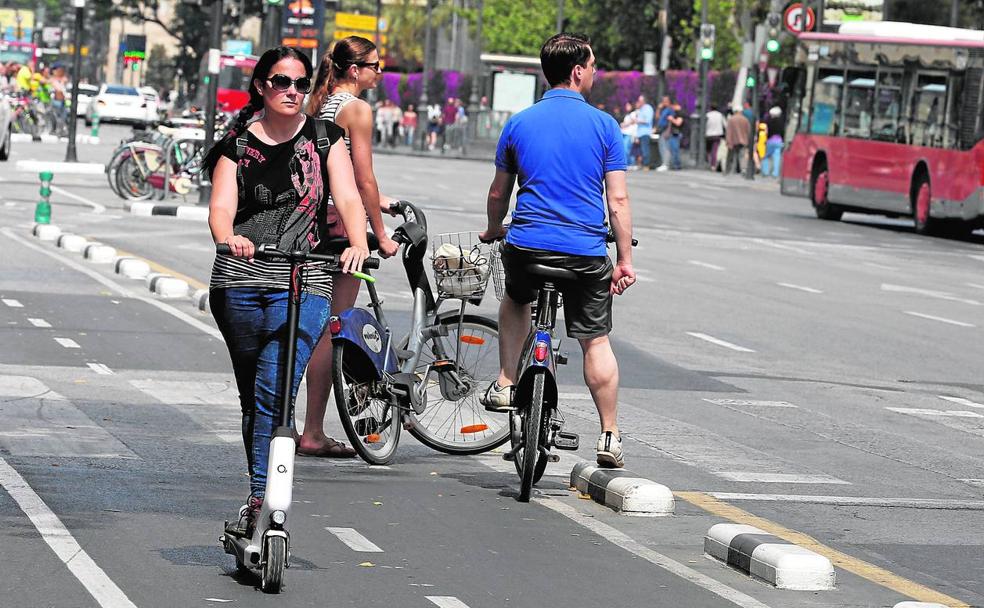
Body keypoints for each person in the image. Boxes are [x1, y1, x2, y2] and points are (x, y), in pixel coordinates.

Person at [204, 46, 371, 527]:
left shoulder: (325, 139)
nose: (292, 92)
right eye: (281, 82)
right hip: (240, 280)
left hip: (305, 279)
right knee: (252, 394)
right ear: (261, 86)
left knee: (275, 391)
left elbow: (346, 196)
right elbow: (221, 206)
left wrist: (357, 243)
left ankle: (263, 500)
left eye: (300, 84)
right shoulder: (236, 146)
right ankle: (260, 495)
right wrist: (227, 237)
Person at [479, 33, 635, 469]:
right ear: (579, 70)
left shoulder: (520, 122)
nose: (596, 72)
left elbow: (498, 193)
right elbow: (617, 202)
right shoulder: (605, 126)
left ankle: (508, 380)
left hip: (527, 247)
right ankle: (609, 435)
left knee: (516, 299)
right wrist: (624, 260)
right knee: (595, 340)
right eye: (594, 64)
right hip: (585, 254)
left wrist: (494, 230)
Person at [301, 35, 401, 457]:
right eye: (376, 66)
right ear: (355, 71)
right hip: (342, 229)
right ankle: (312, 431)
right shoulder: (357, 109)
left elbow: (331, 170)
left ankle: (304, 425)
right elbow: (362, 179)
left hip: (312, 224)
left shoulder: (318, 104)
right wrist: (380, 234)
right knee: (334, 325)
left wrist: (383, 203)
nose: (380, 73)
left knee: (315, 322)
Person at [725, 104, 750, 175]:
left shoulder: (731, 119)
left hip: (733, 140)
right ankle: (743, 169)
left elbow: (729, 131)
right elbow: (748, 131)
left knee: (732, 156)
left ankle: (731, 169)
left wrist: (728, 141)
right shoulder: (745, 119)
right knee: (742, 155)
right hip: (743, 140)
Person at [762, 106, 785, 178]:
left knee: (765, 156)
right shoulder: (782, 122)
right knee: (777, 157)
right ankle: (775, 173)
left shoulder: (769, 122)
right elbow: (782, 132)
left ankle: (765, 172)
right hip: (779, 141)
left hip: (771, 140)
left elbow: (767, 132)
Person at [635, 94, 654, 170]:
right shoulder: (641, 109)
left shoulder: (648, 108)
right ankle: (642, 164)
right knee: (641, 150)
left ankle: (647, 165)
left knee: (645, 149)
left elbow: (647, 120)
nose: (638, 102)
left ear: (644, 101)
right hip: (640, 133)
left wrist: (637, 120)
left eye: (640, 100)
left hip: (645, 132)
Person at [655, 96, 674, 171]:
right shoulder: (664, 110)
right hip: (661, 130)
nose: (664, 102)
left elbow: (670, 120)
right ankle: (664, 163)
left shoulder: (670, 110)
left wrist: (668, 131)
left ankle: (666, 164)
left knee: (665, 147)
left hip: (666, 130)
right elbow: (657, 117)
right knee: (662, 147)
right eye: (663, 101)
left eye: (665, 100)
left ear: (669, 101)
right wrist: (658, 108)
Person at [704, 104, 725, 170]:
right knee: (714, 150)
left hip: (708, 134)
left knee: (708, 150)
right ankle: (713, 165)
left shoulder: (707, 115)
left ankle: (708, 161)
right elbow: (725, 124)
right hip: (717, 135)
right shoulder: (720, 115)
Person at [619, 101, 638, 169]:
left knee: (626, 149)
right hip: (624, 132)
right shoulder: (627, 114)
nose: (626, 107)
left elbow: (634, 121)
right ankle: (628, 163)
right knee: (625, 149)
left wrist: (624, 124)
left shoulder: (633, 113)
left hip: (629, 133)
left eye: (628, 105)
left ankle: (629, 163)